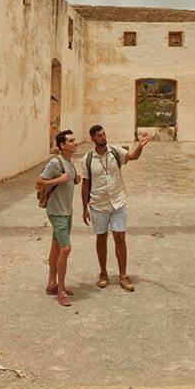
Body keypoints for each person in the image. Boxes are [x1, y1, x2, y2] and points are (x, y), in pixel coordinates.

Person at [81, 124, 153, 292]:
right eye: (99, 135)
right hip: (98, 204)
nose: (103, 137)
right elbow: (85, 185)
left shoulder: (115, 152)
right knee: (101, 239)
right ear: (93, 138)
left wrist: (140, 146)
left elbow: (133, 156)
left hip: (118, 201)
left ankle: (123, 275)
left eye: (104, 134)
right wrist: (84, 208)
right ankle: (103, 273)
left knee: (120, 237)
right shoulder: (87, 159)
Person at [37, 129, 79, 307]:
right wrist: (58, 180)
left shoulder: (70, 163)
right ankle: (61, 290)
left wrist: (73, 180)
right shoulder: (56, 162)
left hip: (66, 212)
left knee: (56, 247)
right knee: (65, 249)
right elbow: (39, 183)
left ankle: (51, 284)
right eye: (71, 141)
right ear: (62, 145)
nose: (74, 143)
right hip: (57, 212)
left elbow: (68, 180)